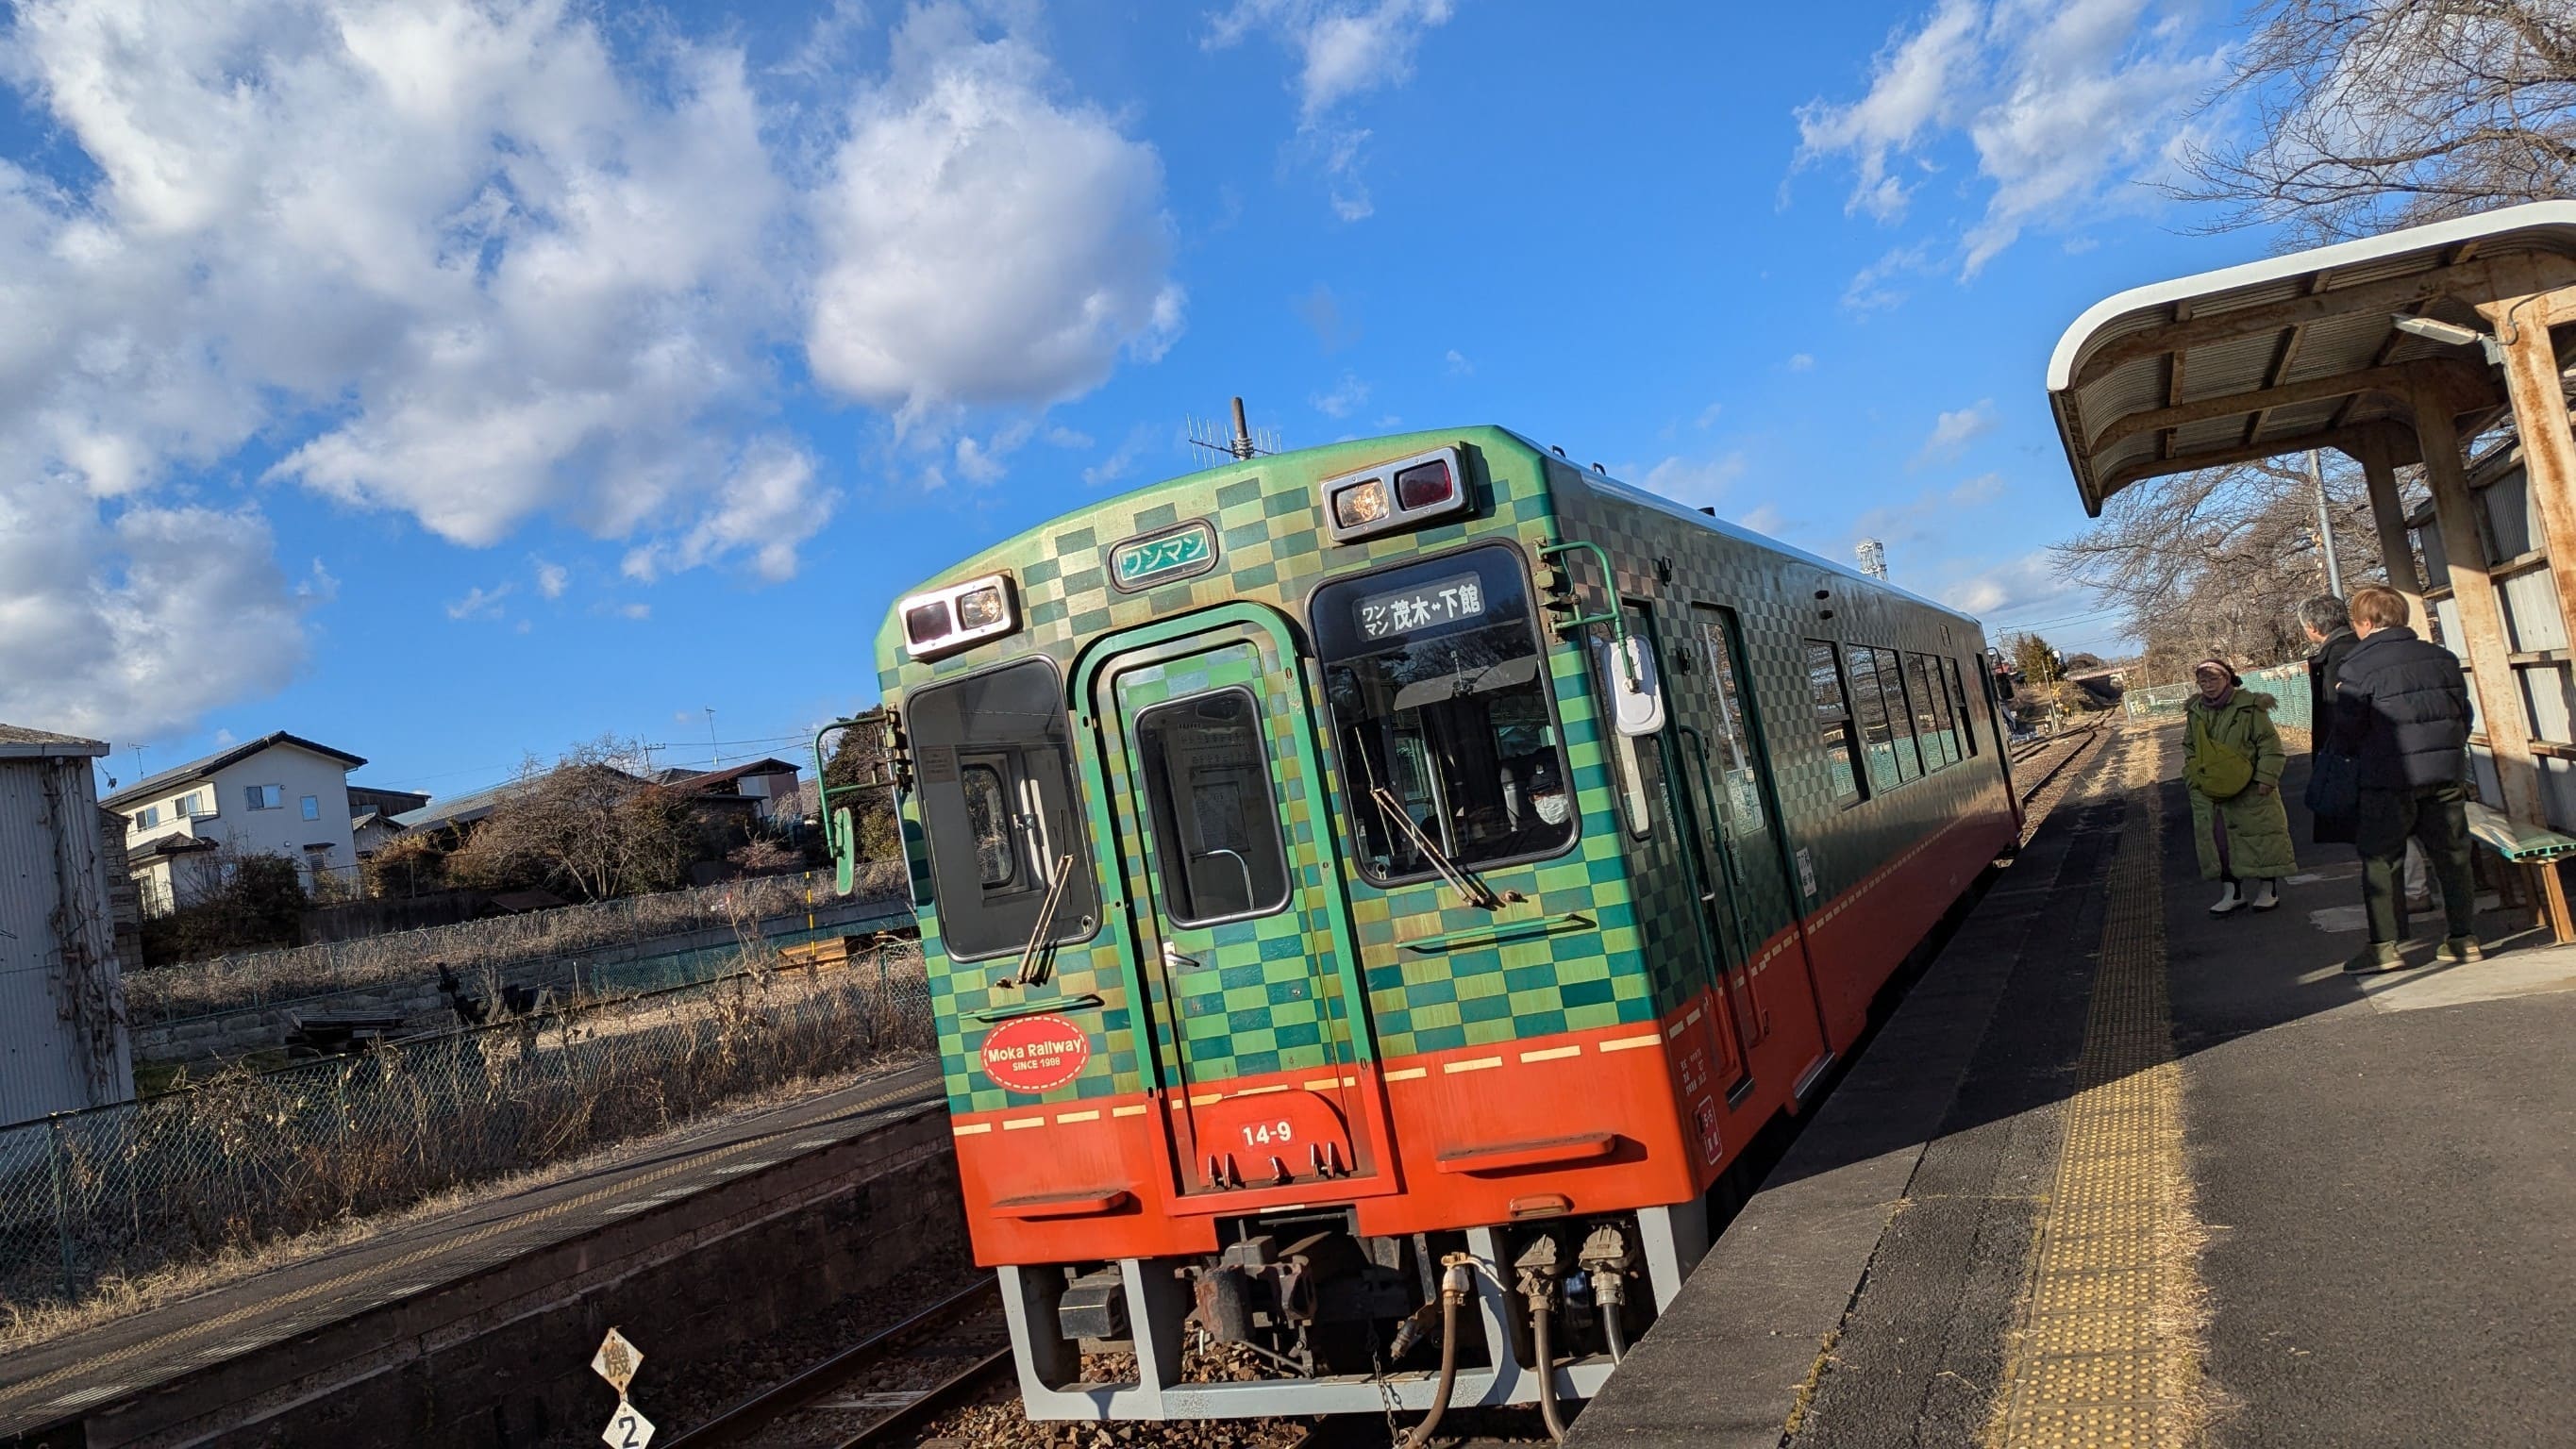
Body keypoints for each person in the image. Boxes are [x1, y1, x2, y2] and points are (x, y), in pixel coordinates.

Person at [2328, 585, 2482, 972]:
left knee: (2382, 859)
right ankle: (2463, 938)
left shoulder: (2356, 668)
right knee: (2452, 855)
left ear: (2363, 623)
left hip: (2387, 777)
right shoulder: (2442, 659)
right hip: (2444, 773)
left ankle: (2385, 946)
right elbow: (2462, 712)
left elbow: (2347, 729)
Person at [2183, 658, 2296, 915]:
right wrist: (2193, 778)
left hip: (2252, 787)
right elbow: (2189, 748)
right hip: (2211, 790)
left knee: (2261, 836)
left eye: (2214, 680)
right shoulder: (2196, 711)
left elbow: (2269, 745)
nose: (2209, 686)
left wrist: (2266, 777)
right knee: (2220, 842)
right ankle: (2231, 892)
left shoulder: (2250, 707)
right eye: (2203, 681)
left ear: (2228, 679)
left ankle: (2269, 889)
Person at [2300, 593, 2362, 848]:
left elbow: (2342, 713)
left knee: (2376, 841)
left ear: (2312, 628)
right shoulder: (2364, 645)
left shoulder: (2335, 658)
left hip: (2353, 763)